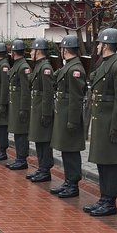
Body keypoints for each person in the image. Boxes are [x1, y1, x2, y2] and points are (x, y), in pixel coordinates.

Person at [84, 28, 117, 217]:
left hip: (111, 123)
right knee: (103, 163)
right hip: (102, 121)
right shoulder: (104, 63)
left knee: (111, 165)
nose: (97, 46)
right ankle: (104, 198)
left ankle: (110, 201)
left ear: (105, 45)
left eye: (99, 43)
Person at [49, 35, 86, 198]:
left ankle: (73, 184)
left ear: (65, 50)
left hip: (70, 117)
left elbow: (76, 97)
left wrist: (73, 120)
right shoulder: (68, 67)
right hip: (64, 115)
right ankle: (68, 181)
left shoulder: (75, 69)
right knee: (66, 150)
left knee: (71, 151)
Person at [27, 39, 55, 183]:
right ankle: (41, 168)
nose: (31, 52)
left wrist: (46, 113)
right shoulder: (39, 66)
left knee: (44, 140)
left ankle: (45, 169)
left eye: (32, 50)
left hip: (43, 110)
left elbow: (48, 93)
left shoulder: (45, 68)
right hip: (37, 108)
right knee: (39, 139)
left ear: (38, 51)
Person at [5, 40, 32, 171]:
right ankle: (19, 158)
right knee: (17, 132)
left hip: (20, 106)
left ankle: (22, 159)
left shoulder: (23, 67)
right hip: (15, 105)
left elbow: (26, 90)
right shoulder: (17, 65)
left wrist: (23, 108)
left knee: (21, 133)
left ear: (13, 52)